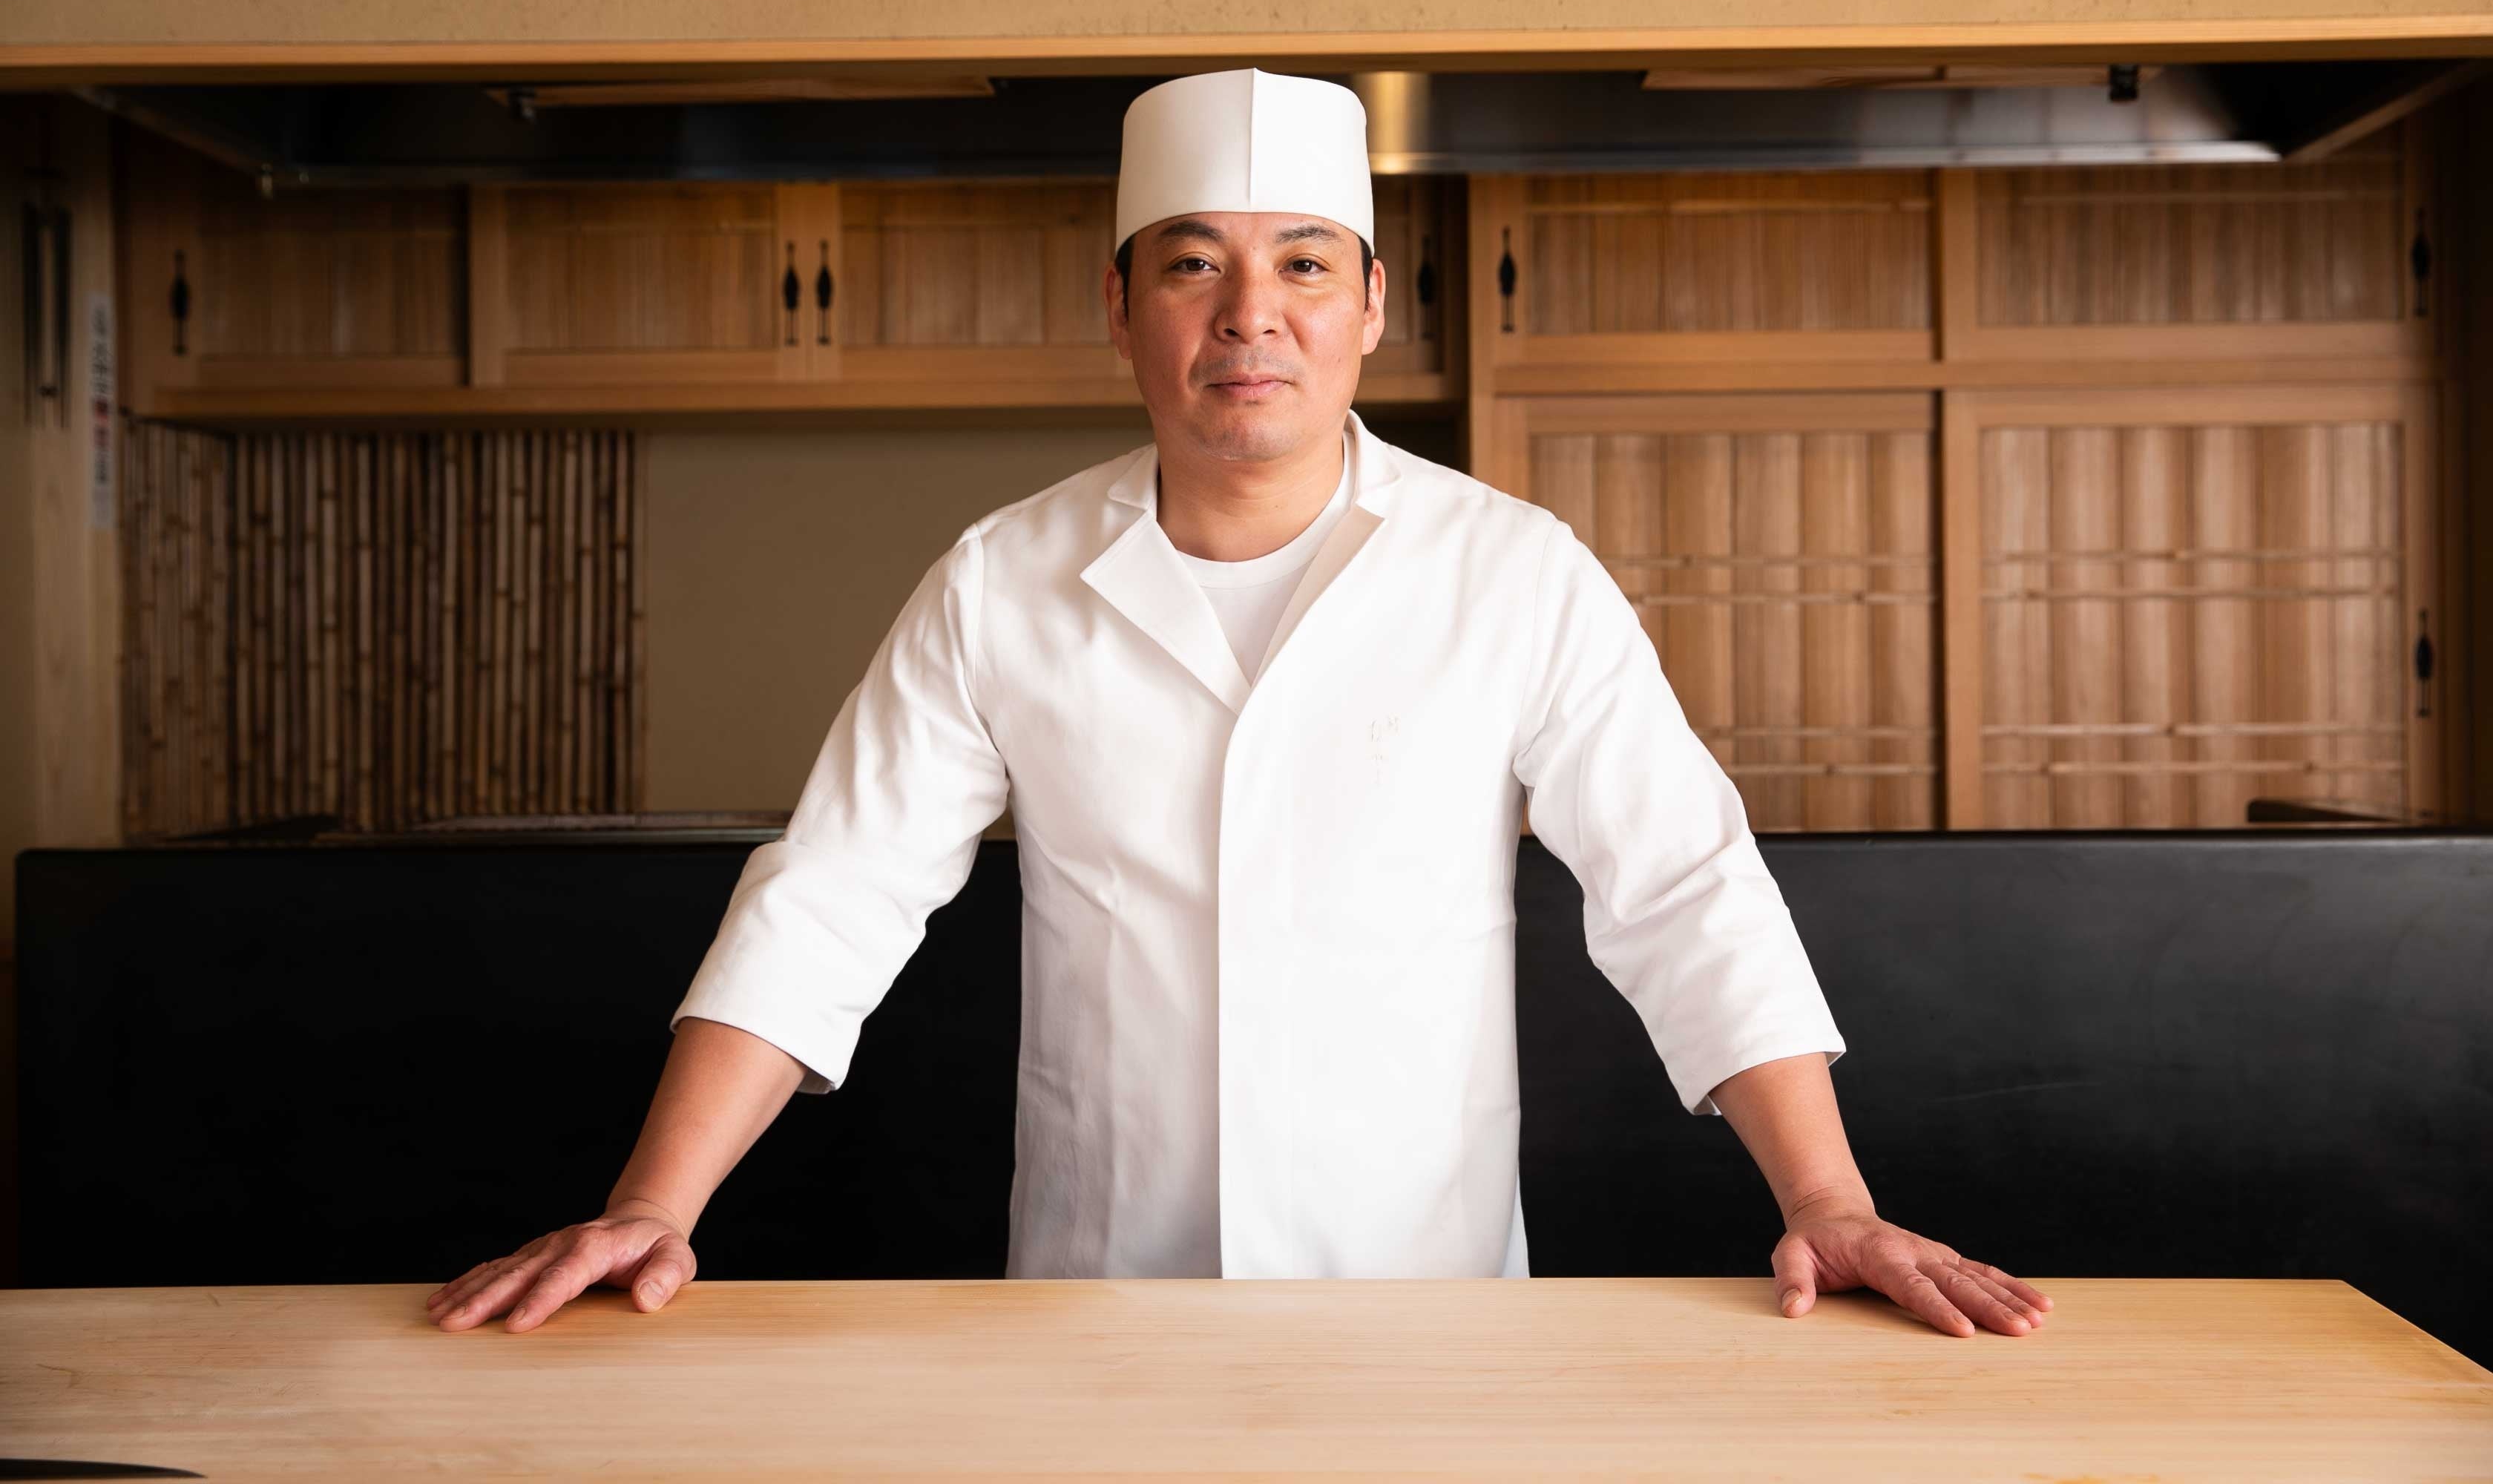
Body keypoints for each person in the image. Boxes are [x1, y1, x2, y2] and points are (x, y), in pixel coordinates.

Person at [430, 68, 2052, 1341]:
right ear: (1120, 303)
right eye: (1194, 263)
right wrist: (655, 1204)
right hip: (1097, 1299)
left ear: (1372, 304)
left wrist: (1829, 1202)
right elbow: (833, 895)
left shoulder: (1512, 570)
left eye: (1302, 264)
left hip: (1423, 1306)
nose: (1248, 313)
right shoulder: (1002, 580)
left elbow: (1685, 886)